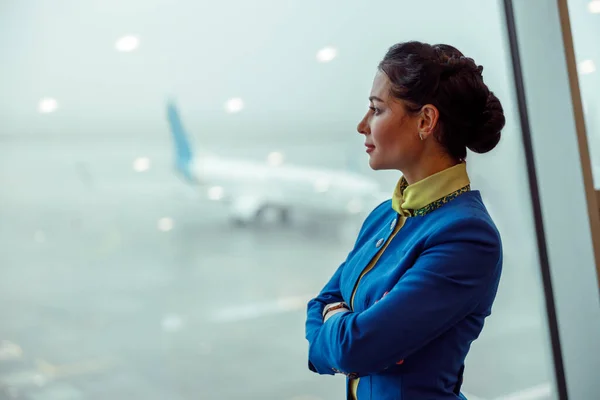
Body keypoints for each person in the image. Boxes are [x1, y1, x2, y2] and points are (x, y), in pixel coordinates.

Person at [305, 40, 506, 400]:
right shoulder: (384, 215)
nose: (362, 125)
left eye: (376, 110)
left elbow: (356, 350)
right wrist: (341, 322)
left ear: (425, 121)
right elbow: (320, 303)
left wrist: (337, 323)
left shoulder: (467, 237)